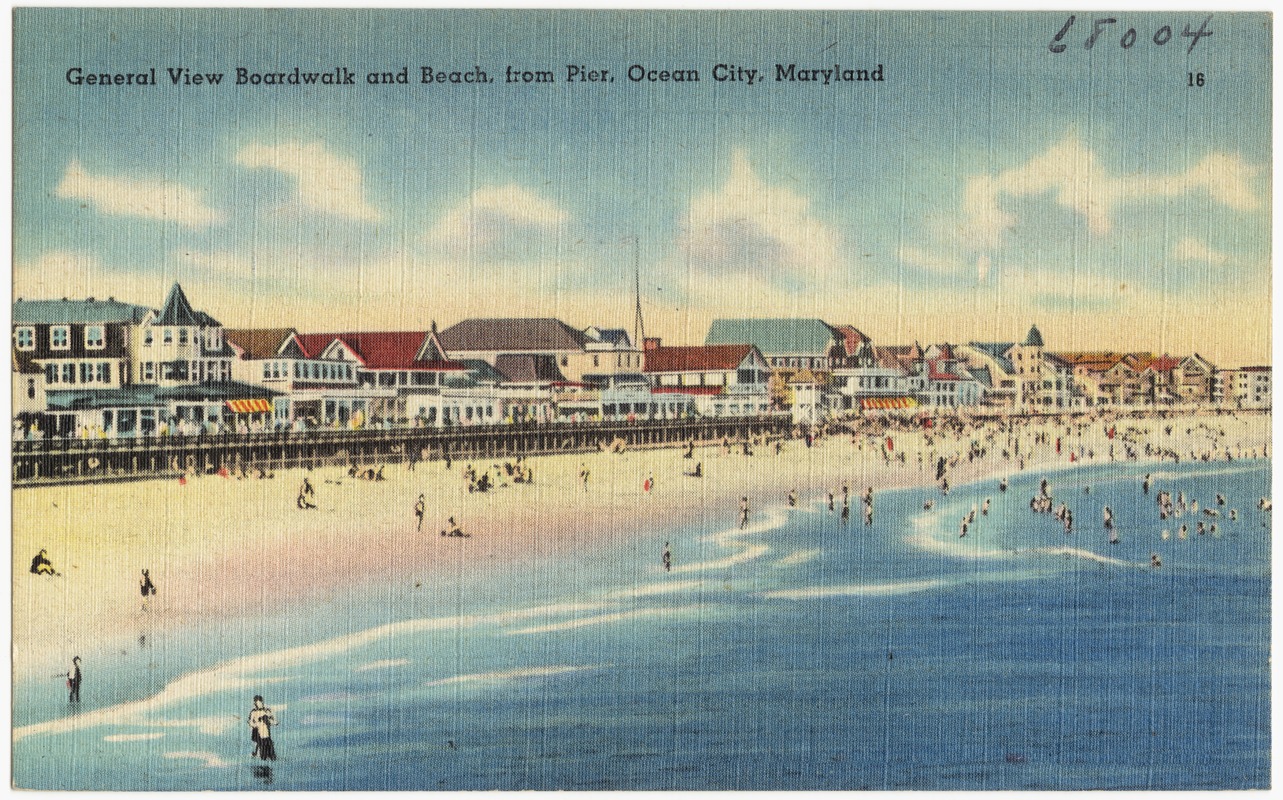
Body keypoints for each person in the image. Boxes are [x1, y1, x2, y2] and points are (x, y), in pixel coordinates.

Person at [248, 695, 278, 761]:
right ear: (255, 703)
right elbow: (250, 722)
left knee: (273, 757)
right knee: (263, 757)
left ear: (262, 702)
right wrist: (257, 723)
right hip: (259, 736)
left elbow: (275, 722)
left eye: (260, 702)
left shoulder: (267, 711)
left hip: (267, 736)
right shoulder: (253, 712)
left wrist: (268, 720)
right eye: (257, 703)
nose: (258, 704)